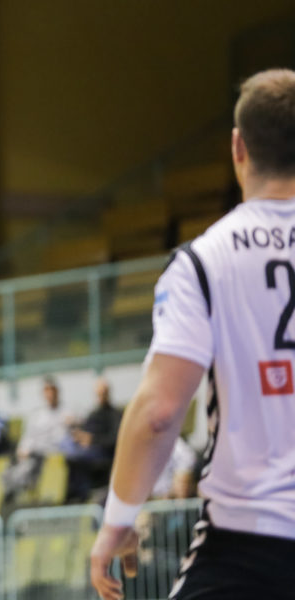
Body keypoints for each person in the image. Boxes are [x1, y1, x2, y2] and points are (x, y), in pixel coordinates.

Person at [91, 69, 295, 600]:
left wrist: (119, 518)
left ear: (237, 147)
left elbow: (160, 412)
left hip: (251, 545)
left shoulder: (205, 261)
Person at [3, 375, 72, 497]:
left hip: (52, 457)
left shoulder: (67, 413)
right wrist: (23, 449)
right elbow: (28, 438)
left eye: (52, 390)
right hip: (33, 456)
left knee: (29, 468)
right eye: (47, 390)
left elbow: (63, 441)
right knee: (11, 472)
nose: (50, 394)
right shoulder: (36, 415)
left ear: (57, 391)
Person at [63, 376, 122, 502]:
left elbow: (114, 440)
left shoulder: (115, 414)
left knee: (76, 457)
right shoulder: (93, 414)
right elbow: (84, 432)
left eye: (103, 393)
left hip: (104, 454)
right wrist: (78, 434)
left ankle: (80, 496)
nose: (101, 396)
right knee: (66, 449)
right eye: (98, 394)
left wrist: (93, 440)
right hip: (85, 450)